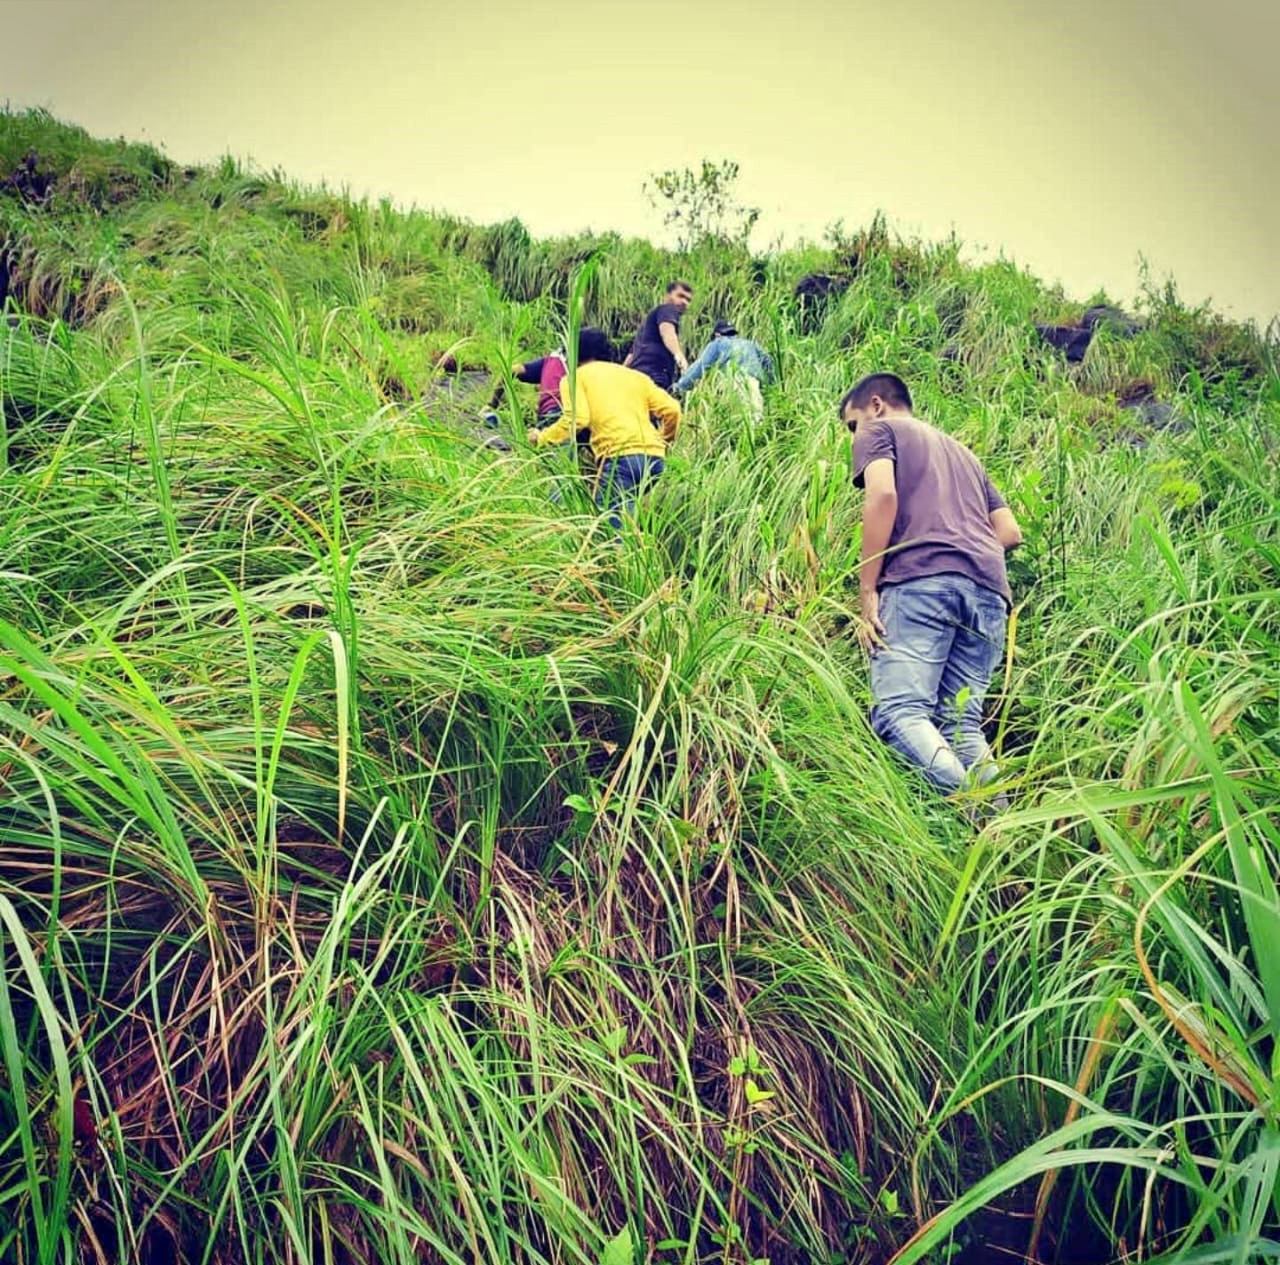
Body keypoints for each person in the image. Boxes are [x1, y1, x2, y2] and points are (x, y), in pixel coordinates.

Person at [840, 372, 1022, 801]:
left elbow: (882, 495)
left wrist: (867, 590)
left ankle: (971, 810)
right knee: (960, 725)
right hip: (989, 591)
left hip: (922, 582)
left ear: (877, 404)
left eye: (852, 424)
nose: (853, 436)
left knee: (898, 713)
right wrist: (963, 550)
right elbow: (1010, 531)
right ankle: (1002, 836)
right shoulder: (966, 456)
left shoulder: (879, 430)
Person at [529, 328, 681, 529]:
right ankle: (634, 556)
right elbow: (673, 410)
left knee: (606, 532)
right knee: (623, 516)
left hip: (620, 456)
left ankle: (615, 558)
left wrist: (542, 437)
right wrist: (664, 441)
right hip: (654, 460)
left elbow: (577, 419)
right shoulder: (634, 377)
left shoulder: (574, 378)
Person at [673, 319, 773, 419]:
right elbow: (768, 362)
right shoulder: (750, 344)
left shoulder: (718, 343)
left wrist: (680, 386)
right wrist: (771, 384)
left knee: (739, 421)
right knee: (756, 419)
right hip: (755, 384)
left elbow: (701, 367)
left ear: (717, 334)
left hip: (735, 384)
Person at [624, 281, 693, 390]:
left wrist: (621, 375)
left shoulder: (646, 327)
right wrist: (679, 356)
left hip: (636, 375)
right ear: (668, 296)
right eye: (680, 296)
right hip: (654, 373)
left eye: (688, 300)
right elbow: (667, 331)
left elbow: (631, 355)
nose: (684, 302)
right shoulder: (668, 309)